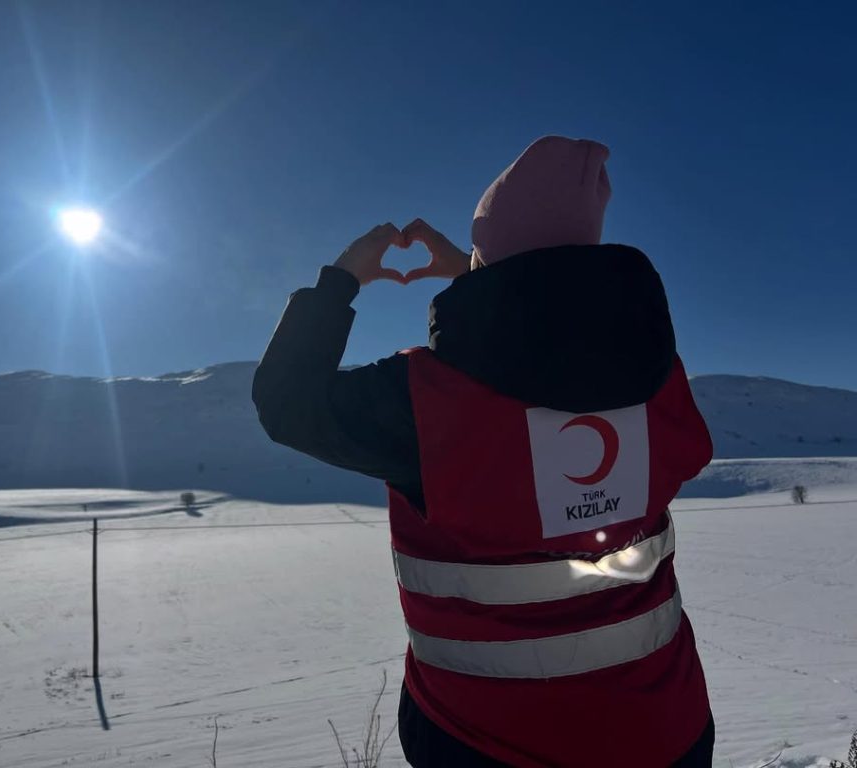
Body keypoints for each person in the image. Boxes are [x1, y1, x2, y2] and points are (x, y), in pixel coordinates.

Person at [252, 136, 715, 767]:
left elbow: (287, 404)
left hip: (487, 741)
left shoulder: (426, 400)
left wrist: (340, 281)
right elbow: (562, 345)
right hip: (667, 729)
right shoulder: (657, 382)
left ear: (491, 254)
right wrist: (482, 277)